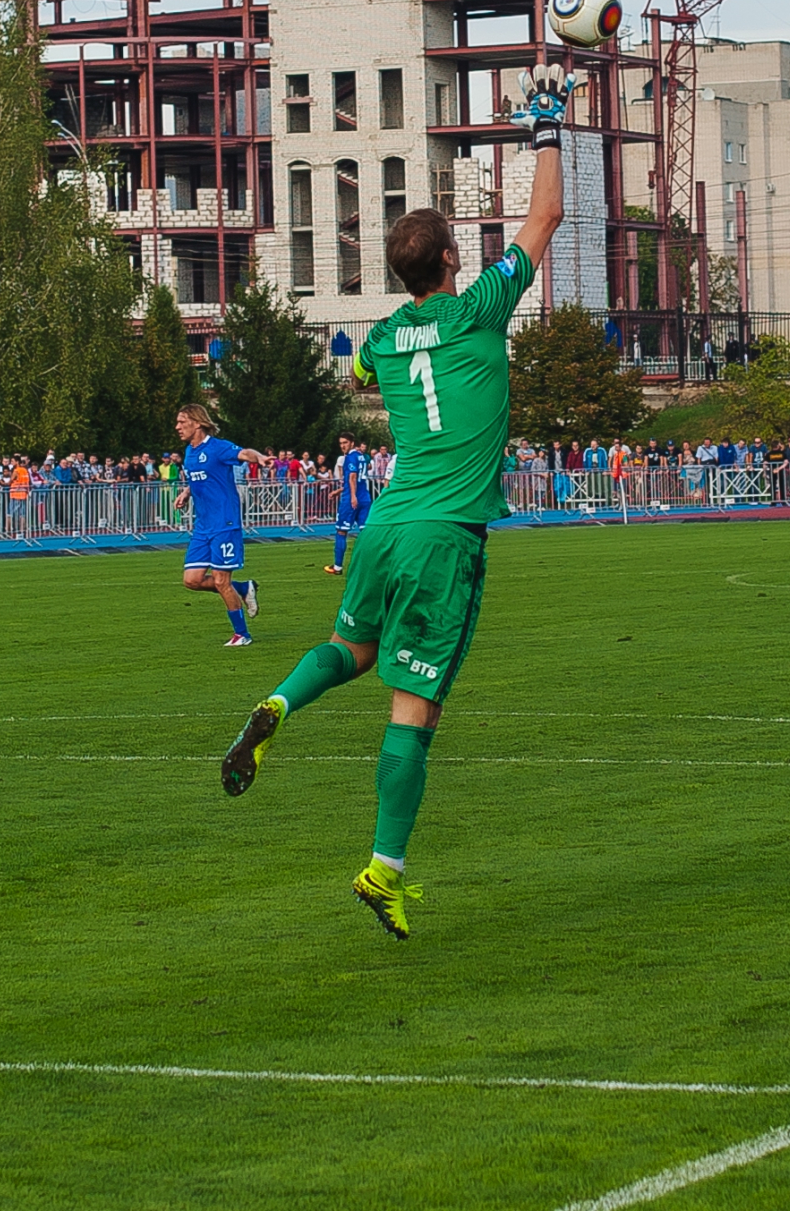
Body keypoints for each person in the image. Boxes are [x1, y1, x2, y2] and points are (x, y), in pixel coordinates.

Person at [221, 61, 571, 939]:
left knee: (352, 646)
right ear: (452, 260)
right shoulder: (481, 307)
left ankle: (279, 704)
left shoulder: (382, 334)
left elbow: (366, 368)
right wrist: (547, 125)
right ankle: (384, 869)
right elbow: (545, 218)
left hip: (383, 522)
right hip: (443, 536)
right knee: (415, 706)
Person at [173, 402, 270, 646]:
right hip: (203, 526)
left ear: (197, 423)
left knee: (220, 580)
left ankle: (242, 634)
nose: (177, 427)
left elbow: (244, 453)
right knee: (191, 580)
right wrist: (186, 493)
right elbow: (201, 478)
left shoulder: (218, 447)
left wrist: (259, 457)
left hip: (224, 523)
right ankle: (244, 587)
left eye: (182, 422)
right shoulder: (189, 452)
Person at [324, 432, 372, 576]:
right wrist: (338, 491)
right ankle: (370, 565)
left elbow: (352, 477)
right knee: (366, 533)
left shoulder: (350, 458)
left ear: (352, 443)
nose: (342, 446)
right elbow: (356, 480)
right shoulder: (362, 457)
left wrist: (352, 497)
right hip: (365, 498)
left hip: (352, 501)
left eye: (345, 442)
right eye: (341, 443)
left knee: (341, 531)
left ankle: (337, 567)